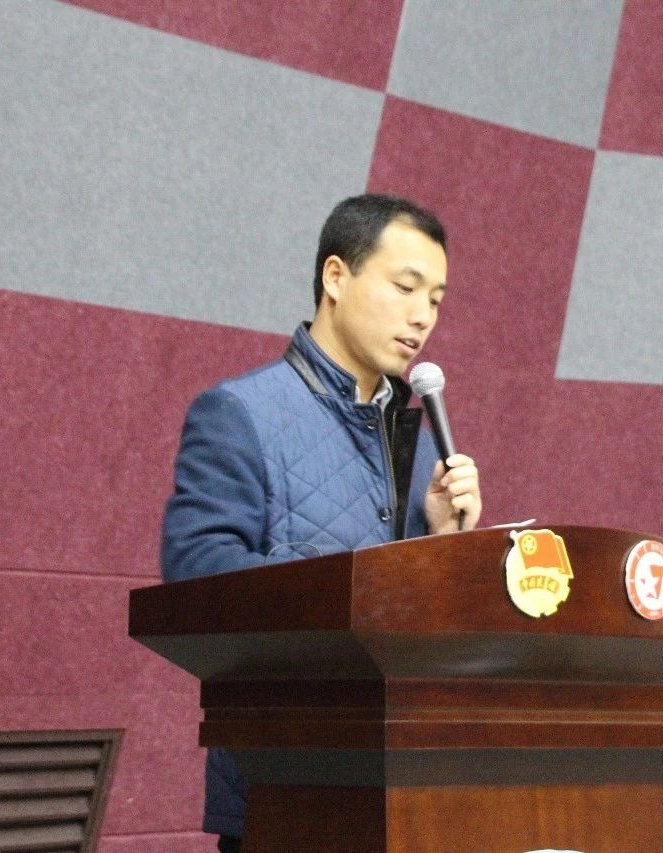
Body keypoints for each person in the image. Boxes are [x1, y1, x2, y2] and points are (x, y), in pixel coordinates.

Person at [160, 194, 482, 851]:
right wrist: (344, 585)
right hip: (284, 793)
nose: (423, 316)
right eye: (405, 288)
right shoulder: (239, 413)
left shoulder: (418, 438)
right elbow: (195, 581)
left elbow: (410, 617)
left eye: (436, 300)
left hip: (403, 791)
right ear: (336, 277)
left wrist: (441, 542)